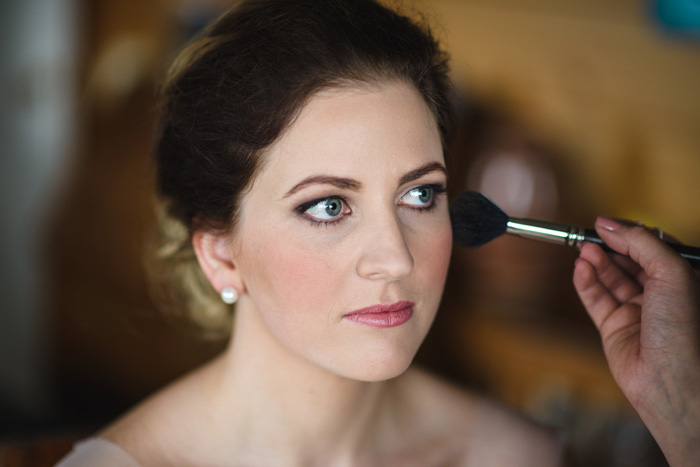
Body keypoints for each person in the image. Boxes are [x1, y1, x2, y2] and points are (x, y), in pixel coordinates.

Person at [56, 0, 700, 465]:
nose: (394, 258)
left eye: (421, 194)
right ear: (221, 256)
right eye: (329, 207)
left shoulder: (512, 455)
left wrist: (685, 418)